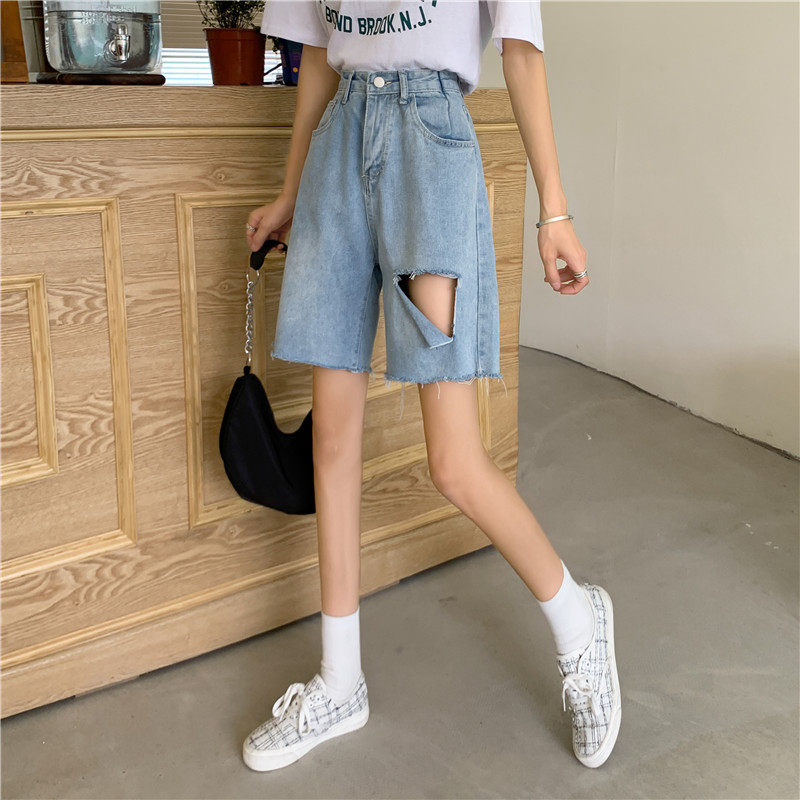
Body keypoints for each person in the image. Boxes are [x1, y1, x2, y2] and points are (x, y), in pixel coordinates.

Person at [243, 0, 621, 773]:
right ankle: (340, 681)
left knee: (453, 461)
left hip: (429, 142)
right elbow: (316, 63)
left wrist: (554, 211)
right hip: (336, 154)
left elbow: (519, 48)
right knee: (331, 441)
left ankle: (579, 621)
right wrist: (290, 190)